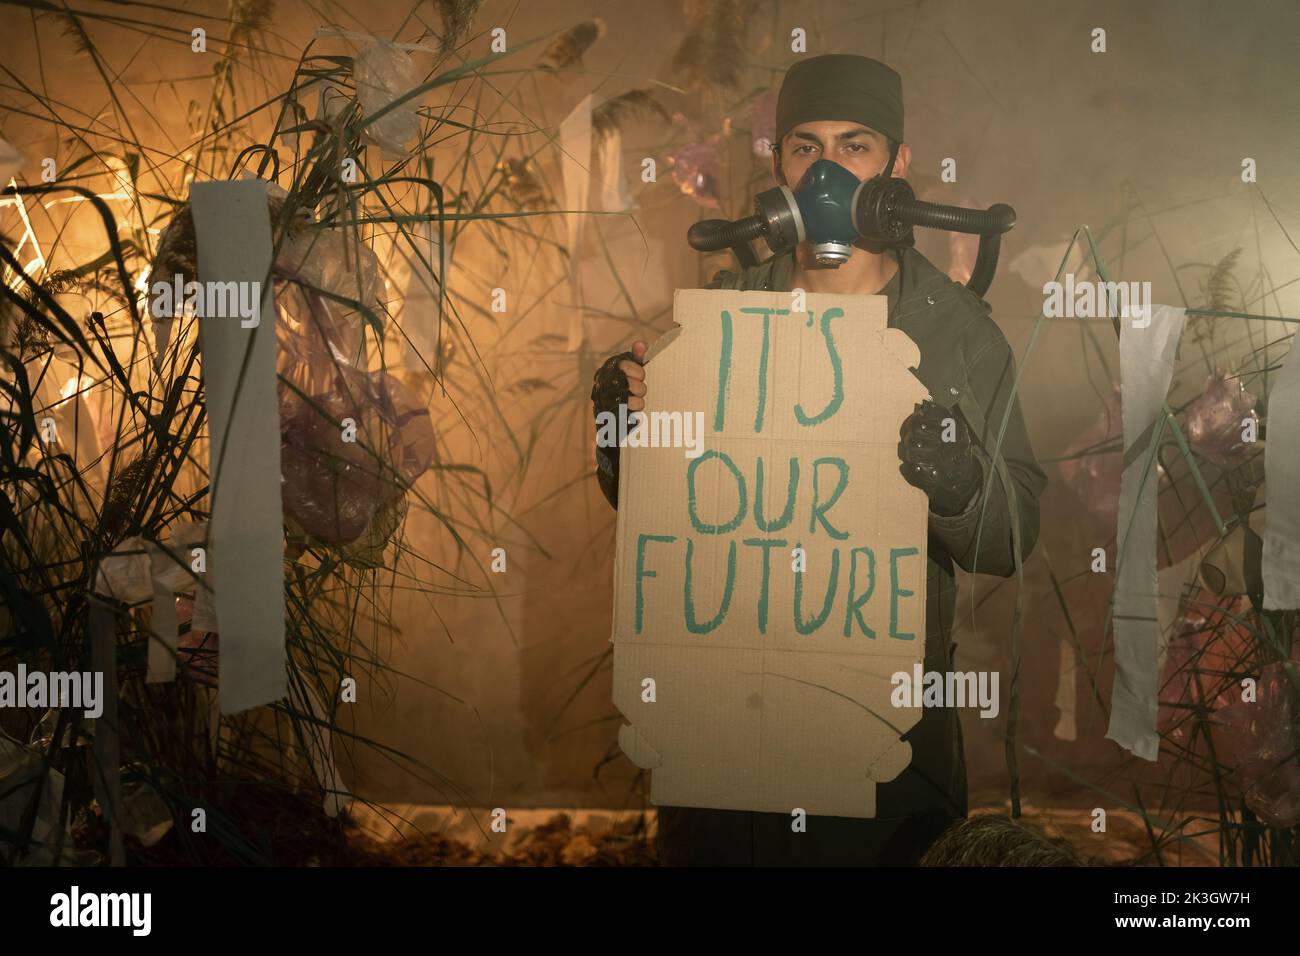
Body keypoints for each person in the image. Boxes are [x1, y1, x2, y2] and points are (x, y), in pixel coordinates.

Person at [590, 54, 1048, 865]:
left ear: (898, 166)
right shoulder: (720, 316)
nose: (826, 170)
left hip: (886, 754)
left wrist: (962, 484)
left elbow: (1008, 540)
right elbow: (671, 513)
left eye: (855, 146)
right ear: (778, 164)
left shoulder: (957, 334)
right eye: (805, 147)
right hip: (723, 749)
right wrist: (622, 433)